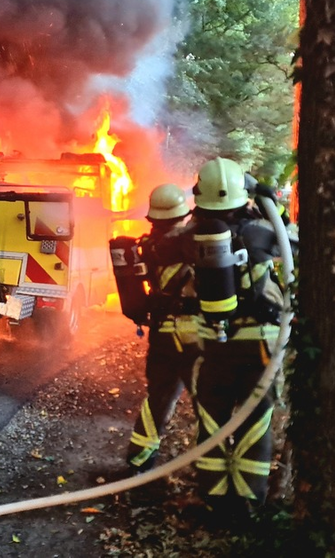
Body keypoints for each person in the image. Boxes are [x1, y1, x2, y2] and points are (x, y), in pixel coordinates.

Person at [188, 157, 285, 519]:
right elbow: (292, 241)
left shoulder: (190, 236)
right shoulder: (262, 231)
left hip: (213, 345)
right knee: (256, 418)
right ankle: (248, 501)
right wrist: (268, 201)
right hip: (260, 344)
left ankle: (213, 497)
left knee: (211, 416)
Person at [126, 183, 201, 473]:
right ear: (180, 213)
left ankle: (139, 457)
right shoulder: (186, 242)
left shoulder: (148, 245)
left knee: (158, 395)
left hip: (161, 335)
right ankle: (209, 464)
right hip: (192, 333)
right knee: (206, 400)